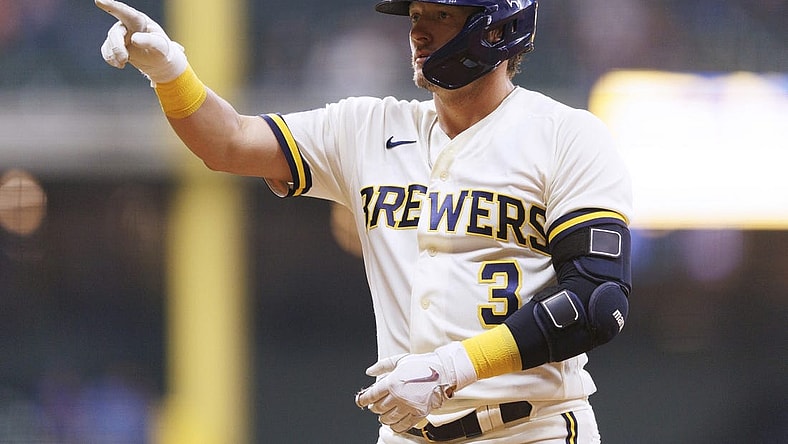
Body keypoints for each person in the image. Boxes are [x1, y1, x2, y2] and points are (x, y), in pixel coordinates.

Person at [96, 0, 633, 442]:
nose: (418, 33)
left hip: (531, 429)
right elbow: (229, 142)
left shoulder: (566, 136)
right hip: (407, 432)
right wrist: (169, 70)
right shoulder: (369, 128)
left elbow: (597, 302)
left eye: (439, 15)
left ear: (497, 26)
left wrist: (451, 368)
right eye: (414, 15)